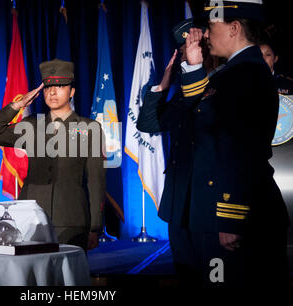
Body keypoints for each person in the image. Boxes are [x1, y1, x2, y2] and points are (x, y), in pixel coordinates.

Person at [161, 0, 289, 287]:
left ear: (233, 28)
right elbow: (196, 119)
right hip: (211, 211)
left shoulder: (247, 74)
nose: (205, 34)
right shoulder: (233, 72)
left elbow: (240, 150)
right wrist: (192, 70)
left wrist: (230, 217)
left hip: (230, 215)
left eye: (211, 27)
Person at [0, 59, 106, 252]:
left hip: (71, 220)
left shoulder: (89, 128)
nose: (53, 92)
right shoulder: (32, 125)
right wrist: (18, 104)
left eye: (60, 86)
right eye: (48, 88)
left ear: (72, 92)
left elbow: (96, 180)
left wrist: (95, 227)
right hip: (31, 219)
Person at [137, 18, 225, 286]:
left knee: (215, 277)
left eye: (191, 46)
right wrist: (162, 86)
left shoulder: (223, 86)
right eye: (183, 48)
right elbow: (148, 124)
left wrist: (193, 70)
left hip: (208, 204)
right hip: (179, 204)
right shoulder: (181, 94)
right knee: (187, 275)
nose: (184, 53)